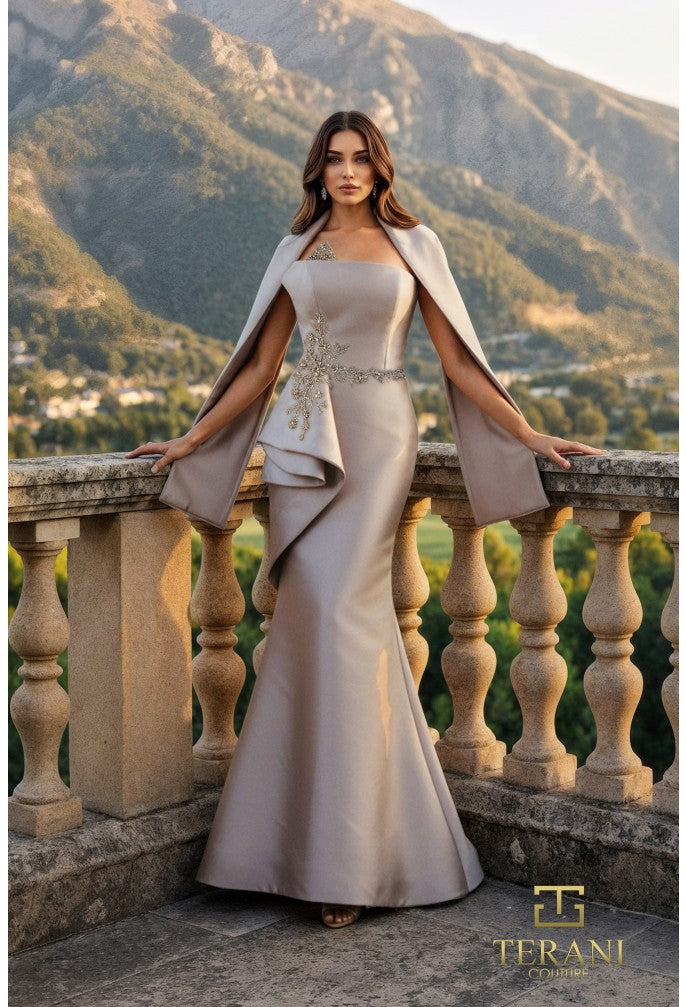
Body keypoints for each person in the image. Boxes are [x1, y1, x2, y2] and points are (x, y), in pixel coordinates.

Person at [125, 110, 603, 929]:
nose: (347, 172)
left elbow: (457, 360)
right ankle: (287, 847)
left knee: (351, 621)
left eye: (361, 160)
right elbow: (261, 364)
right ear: (316, 170)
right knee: (310, 626)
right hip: (305, 441)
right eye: (334, 160)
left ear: (381, 169)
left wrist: (527, 433)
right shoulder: (296, 251)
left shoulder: (417, 247)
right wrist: (194, 436)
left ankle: (348, 859)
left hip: (380, 439)